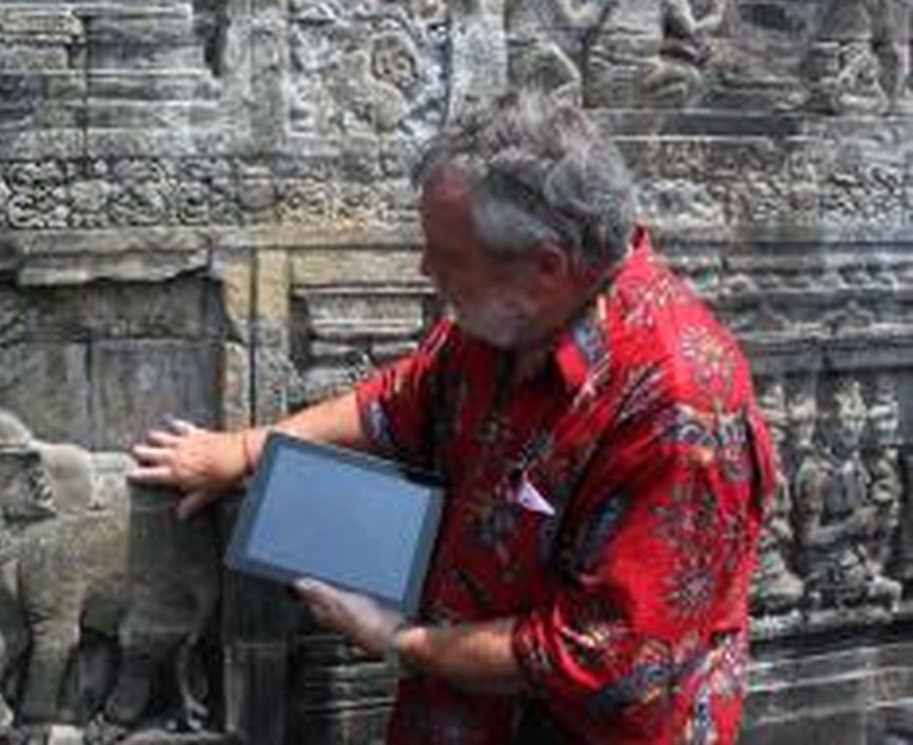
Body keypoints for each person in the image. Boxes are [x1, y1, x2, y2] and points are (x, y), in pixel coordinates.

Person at [130, 89, 775, 744]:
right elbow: (409, 397)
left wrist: (402, 641)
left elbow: (601, 656)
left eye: (448, 256)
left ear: (547, 268)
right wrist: (242, 454)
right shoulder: (510, 318)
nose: (425, 269)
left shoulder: (679, 407)